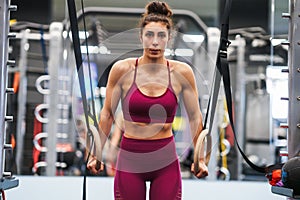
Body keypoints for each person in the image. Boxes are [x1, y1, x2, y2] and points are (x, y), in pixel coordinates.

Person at [87, 1, 208, 199]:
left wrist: (200, 158)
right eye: (149, 35)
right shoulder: (122, 69)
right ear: (141, 36)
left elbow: (195, 117)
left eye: (161, 36)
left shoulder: (181, 72)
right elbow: (107, 114)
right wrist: (96, 154)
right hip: (129, 159)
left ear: (169, 38)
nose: (155, 42)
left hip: (165, 160)